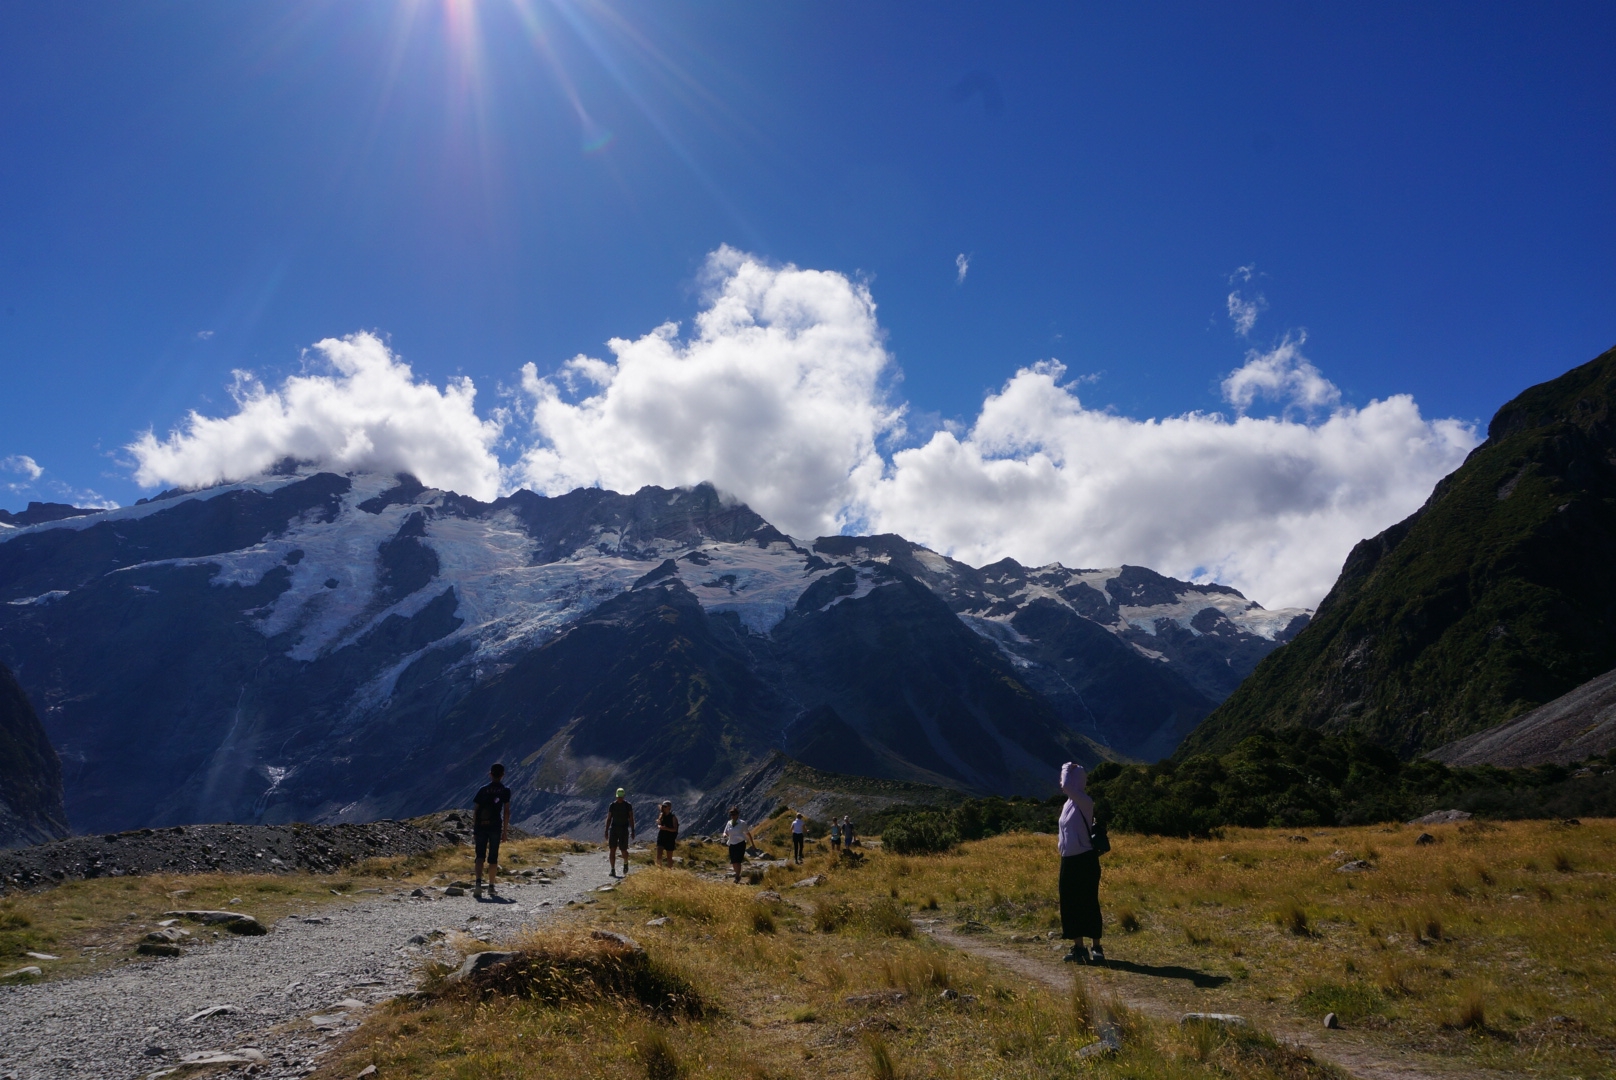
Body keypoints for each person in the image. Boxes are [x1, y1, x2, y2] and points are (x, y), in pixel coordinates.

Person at [1057, 761, 1104, 964]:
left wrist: (1066, 766)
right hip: (1068, 859)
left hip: (1084, 859)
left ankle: (1096, 947)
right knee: (1070, 904)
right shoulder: (1069, 803)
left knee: (1088, 902)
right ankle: (1079, 948)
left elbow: (1065, 785)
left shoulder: (1085, 801)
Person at [471, 763, 512, 899]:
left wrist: (475, 829)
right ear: (502, 775)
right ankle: (491, 887)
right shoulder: (505, 790)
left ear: (490, 774)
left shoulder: (483, 790)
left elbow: (476, 811)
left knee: (480, 856)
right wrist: (505, 831)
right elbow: (506, 812)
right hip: (495, 827)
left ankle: (478, 885)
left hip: (481, 827)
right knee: (493, 857)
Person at [604, 788, 636, 877]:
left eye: (621, 797)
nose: (620, 799)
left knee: (623, 850)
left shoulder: (628, 805)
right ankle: (612, 869)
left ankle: (625, 863)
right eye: (619, 797)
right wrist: (606, 830)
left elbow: (631, 818)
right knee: (612, 849)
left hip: (623, 829)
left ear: (624, 796)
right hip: (614, 829)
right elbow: (609, 818)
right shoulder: (612, 805)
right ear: (616, 796)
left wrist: (633, 830)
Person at [720, 806, 754, 884]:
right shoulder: (729, 823)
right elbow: (725, 832)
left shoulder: (742, 823)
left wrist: (752, 844)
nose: (733, 816)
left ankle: (737, 876)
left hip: (740, 843)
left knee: (738, 861)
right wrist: (725, 835)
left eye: (734, 814)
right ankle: (737, 874)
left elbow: (748, 833)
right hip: (731, 843)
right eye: (731, 814)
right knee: (733, 861)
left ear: (737, 815)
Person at [656, 800, 679, 868]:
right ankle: (659, 870)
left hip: (670, 838)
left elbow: (675, 829)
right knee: (659, 855)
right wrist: (659, 826)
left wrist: (666, 828)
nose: (663, 807)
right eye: (663, 806)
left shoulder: (673, 817)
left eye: (665, 806)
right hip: (661, 836)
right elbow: (659, 823)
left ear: (669, 807)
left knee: (669, 857)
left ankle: (669, 871)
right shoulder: (661, 815)